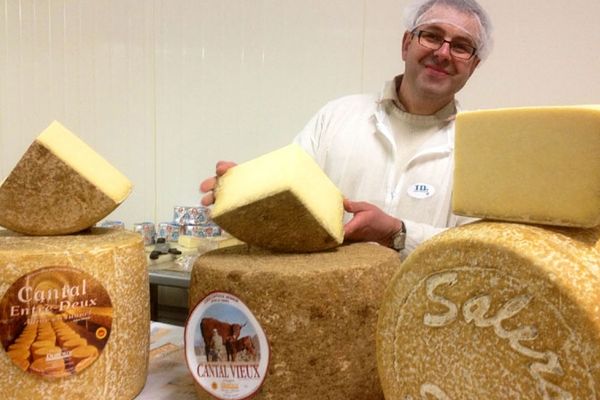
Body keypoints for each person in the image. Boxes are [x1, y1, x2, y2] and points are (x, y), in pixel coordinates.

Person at [200, 0, 493, 258]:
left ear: (474, 65)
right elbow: (290, 199)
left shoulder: (481, 151)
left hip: (422, 315)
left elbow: (480, 250)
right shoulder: (337, 117)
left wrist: (398, 233)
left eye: (461, 46)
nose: (443, 53)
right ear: (406, 44)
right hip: (328, 308)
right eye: (431, 36)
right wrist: (248, 195)